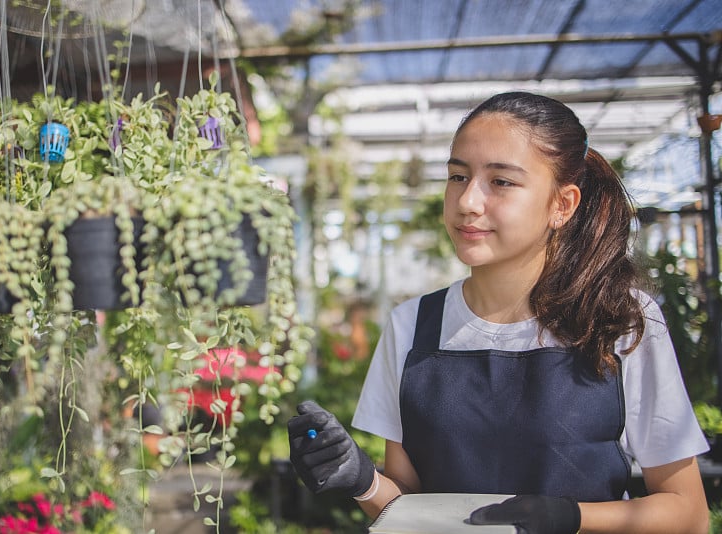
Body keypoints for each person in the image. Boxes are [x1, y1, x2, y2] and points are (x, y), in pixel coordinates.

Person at [287, 91, 710, 534]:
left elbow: (689, 513)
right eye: (457, 176)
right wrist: (361, 479)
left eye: (501, 182)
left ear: (562, 205)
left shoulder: (619, 319)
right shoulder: (412, 326)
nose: (468, 201)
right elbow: (410, 510)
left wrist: (572, 516)